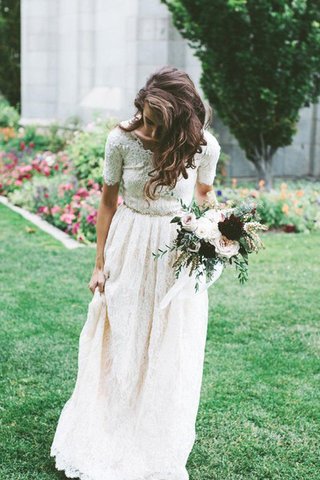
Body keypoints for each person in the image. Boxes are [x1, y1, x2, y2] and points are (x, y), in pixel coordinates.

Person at [50, 66, 221, 480]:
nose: (147, 126)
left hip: (175, 249)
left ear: (179, 117)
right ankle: (109, 424)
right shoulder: (120, 140)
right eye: (144, 115)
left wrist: (217, 231)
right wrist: (99, 263)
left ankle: (154, 433)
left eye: (156, 121)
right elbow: (107, 202)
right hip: (128, 242)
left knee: (168, 341)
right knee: (121, 334)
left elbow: (203, 196)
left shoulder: (203, 147)